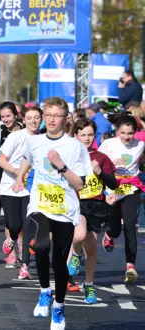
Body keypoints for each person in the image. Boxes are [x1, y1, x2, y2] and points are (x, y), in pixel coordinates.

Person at [12, 97, 91, 330]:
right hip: (40, 204)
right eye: (48, 115)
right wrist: (19, 178)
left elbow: (80, 185)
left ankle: (58, 306)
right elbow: (27, 159)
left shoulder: (75, 147)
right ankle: (44, 291)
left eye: (57, 116)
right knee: (43, 244)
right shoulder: (35, 142)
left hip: (65, 210)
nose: (52, 120)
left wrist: (61, 166)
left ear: (66, 118)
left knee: (58, 259)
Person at [68, 118, 118, 303]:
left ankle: (89, 285)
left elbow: (113, 183)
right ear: (76, 136)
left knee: (92, 250)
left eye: (90, 135)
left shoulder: (101, 158)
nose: (87, 138)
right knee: (79, 235)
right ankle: (75, 253)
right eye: (83, 135)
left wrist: (100, 173)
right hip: (77, 203)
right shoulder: (70, 156)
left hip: (97, 206)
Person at [99, 114, 144, 283]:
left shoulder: (140, 145)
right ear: (117, 131)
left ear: (135, 132)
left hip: (131, 188)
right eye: (123, 133)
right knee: (116, 228)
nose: (126, 137)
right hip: (113, 189)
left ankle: (130, 266)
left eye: (130, 133)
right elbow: (97, 163)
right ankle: (110, 234)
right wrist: (110, 162)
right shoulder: (108, 144)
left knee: (131, 227)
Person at [0, 106, 42, 275]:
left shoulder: (43, 139)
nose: (33, 121)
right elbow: (1, 161)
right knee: (15, 225)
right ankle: (12, 237)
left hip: (31, 189)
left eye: (36, 118)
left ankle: (25, 266)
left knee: (29, 226)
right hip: (10, 187)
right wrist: (18, 172)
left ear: (41, 119)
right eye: (29, 118)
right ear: (24, 120)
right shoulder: (16, 137)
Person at [0, 101, 23, 219]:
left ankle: (21, 236)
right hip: (2, 173)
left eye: (8, 116)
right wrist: (6, 147)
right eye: (3, 117)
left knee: (22, 211)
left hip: (22, 172)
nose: (5, 120)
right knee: (11, 215)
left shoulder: (24, 130)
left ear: (16, 115)